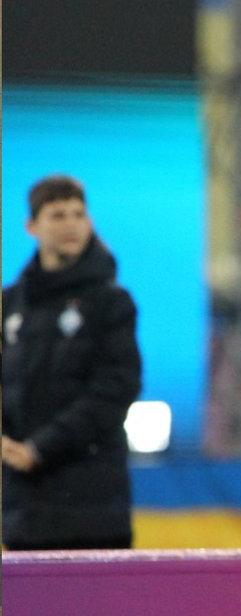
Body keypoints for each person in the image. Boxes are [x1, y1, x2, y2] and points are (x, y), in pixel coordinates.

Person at [2, 175, 142, 550]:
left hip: (94, 508)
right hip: (24, 508)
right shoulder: (9, 304)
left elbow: (117, 388)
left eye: (79, 214)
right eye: (58, 215)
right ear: (31, 227)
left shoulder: (112, 303)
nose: (71, 224)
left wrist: (41, 448)